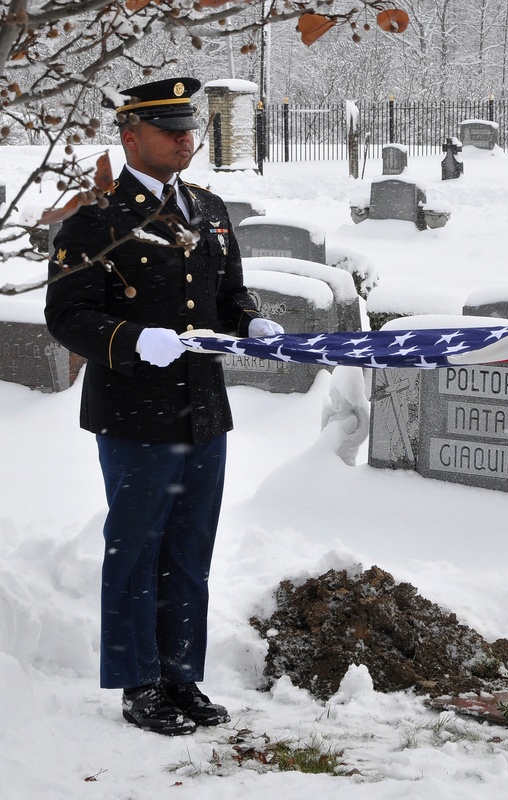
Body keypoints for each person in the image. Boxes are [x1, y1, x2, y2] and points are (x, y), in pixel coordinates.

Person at [45, 78, 284, 735]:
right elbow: (66, 315)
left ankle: (181, 676)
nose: (187, 138)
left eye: (190, 128)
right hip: (132, 413)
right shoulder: (92, 217)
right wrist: (126, 339)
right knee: (136, 548)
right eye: (171, 129)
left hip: (203, 409)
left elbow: (228, 293)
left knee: (189, 548)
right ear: (130, 137)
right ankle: (138, 682)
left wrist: (249, 322)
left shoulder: (208, 207)